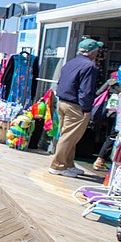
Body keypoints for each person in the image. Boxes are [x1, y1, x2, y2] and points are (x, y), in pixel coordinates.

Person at [49, 38, 102, 177]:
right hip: (75, 106)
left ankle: (68, 164)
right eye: (97, 51)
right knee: (69, 137)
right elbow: (86, 91)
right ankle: (58, 165)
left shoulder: (70, 63)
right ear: (92, 53)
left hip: (62, 102)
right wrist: (87, 109)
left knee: (68, 135)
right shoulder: (90, 67)